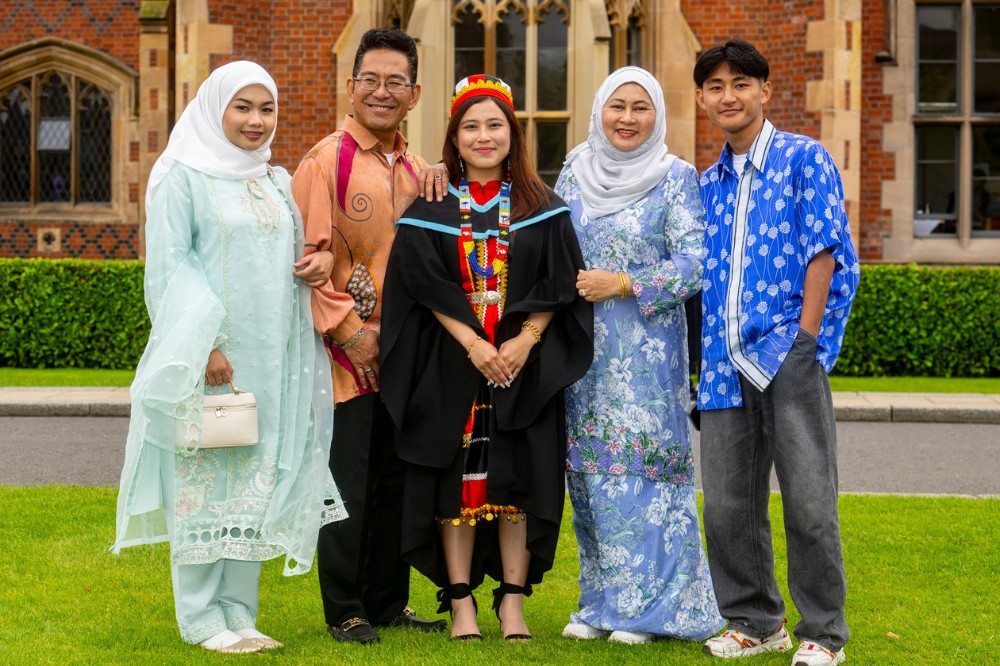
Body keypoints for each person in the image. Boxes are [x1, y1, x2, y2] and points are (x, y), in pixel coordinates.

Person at [111, 61, 345, 654]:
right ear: (215, 108)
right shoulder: (182, 177)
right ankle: (199, 617)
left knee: (255, 484)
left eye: (266, 109)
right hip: (215, 361)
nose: (255, 121)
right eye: (242, 107)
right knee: (206, 482)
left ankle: (239, 612)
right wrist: (205, 346)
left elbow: (291, 257)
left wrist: (316, 263)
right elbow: (168, 268)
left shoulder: (271, 179)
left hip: (272, 362)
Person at [380, 74, 593, 641]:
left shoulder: (542, 205)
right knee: (457, 483)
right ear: (454, 135)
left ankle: (513, 604)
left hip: (523, 368)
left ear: (511, 133)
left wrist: (524, 340)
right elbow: (420, 283)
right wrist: (475, 344)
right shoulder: (432, 204)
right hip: (454, 367)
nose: (483, 136)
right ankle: (461, 604)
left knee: (519, 480)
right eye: (470, 126)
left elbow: (560, 283)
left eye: (494, 124)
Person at [693, 40, 859, 666]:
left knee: (810, 500)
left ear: (764, 90)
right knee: (729, 504)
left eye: (740, 83)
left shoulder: (802, 159)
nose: (728, 96)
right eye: (715, 86)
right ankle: (756, 622)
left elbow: (826, 247)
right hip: (722, 360)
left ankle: (823, 633)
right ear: (704, 99)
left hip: (787, 351)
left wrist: (805, 337)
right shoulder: (705, 183)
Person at [553, 66, 724, 645]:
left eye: (640, 108)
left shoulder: (676, 179)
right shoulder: (573, 173)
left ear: (658, 116)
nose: (627, 118)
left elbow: (695, 264)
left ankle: (649, 612)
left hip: (647, 359)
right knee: (590, 475)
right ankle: (599, 603)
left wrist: (622, 282)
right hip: (581, 356)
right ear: (599, 109)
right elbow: (548, 245)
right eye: (617, 106)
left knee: (644, 478)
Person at [290, 28, 446, 645]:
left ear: (413, 94)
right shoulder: (325, 161)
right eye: (371, 80)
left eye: (396, 83)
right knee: (347, 482)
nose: (383, 92)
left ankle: (387, 600)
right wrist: (352, 335)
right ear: (350, 86)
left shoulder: (416, 168)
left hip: (406, 357)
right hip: (344, 357)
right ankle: (346, 607)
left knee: (393, 479)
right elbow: (308, 261)